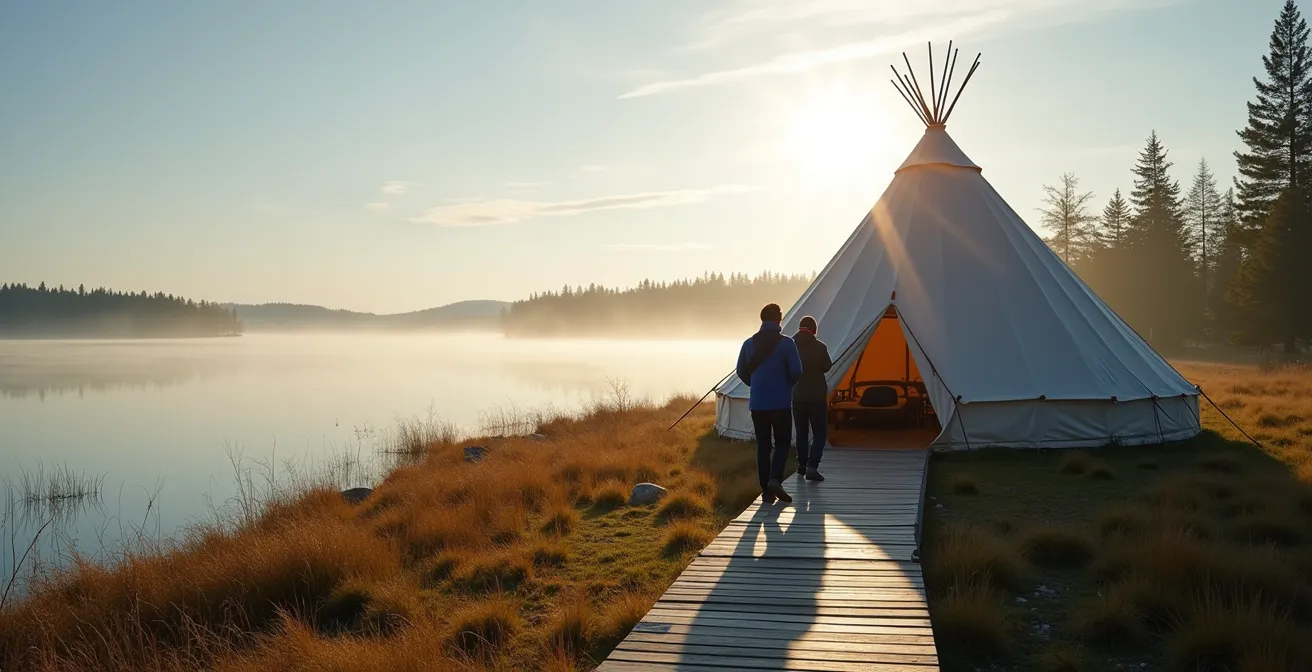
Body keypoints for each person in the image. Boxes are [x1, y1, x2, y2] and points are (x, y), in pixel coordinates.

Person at [736, 303, 802, 504]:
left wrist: (756, 386)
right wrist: (785, 386)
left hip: (758, 403)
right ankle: (775, 479)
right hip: (781, 402)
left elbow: (741, 371)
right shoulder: (787, 344)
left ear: (762, 319)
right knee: (782, 443)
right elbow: (797, 371)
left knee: (763, 446)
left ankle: (766, 491)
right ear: (779, 319)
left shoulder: (748, 344)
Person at [792, 315, 832, 481]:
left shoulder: (790, 346)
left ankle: (802, 464)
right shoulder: (820, 347)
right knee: (819, 433)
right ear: (814, 330)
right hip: (816, 396)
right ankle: (812, 466)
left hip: (798, 395)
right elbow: (827, 366)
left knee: (801, 432)